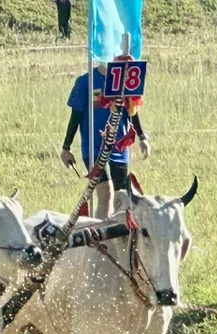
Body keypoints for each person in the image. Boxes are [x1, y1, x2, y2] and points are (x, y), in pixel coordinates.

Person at [60, 64, 152, 219]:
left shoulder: (125, 79)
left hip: (119, 149)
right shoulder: (85, 82)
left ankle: (119, 239)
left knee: (121, 198)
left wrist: (142, 137)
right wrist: (66, 147)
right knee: (106, 193)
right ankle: (101, 238)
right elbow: (75, 116)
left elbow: (132, 112)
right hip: (94, 148)